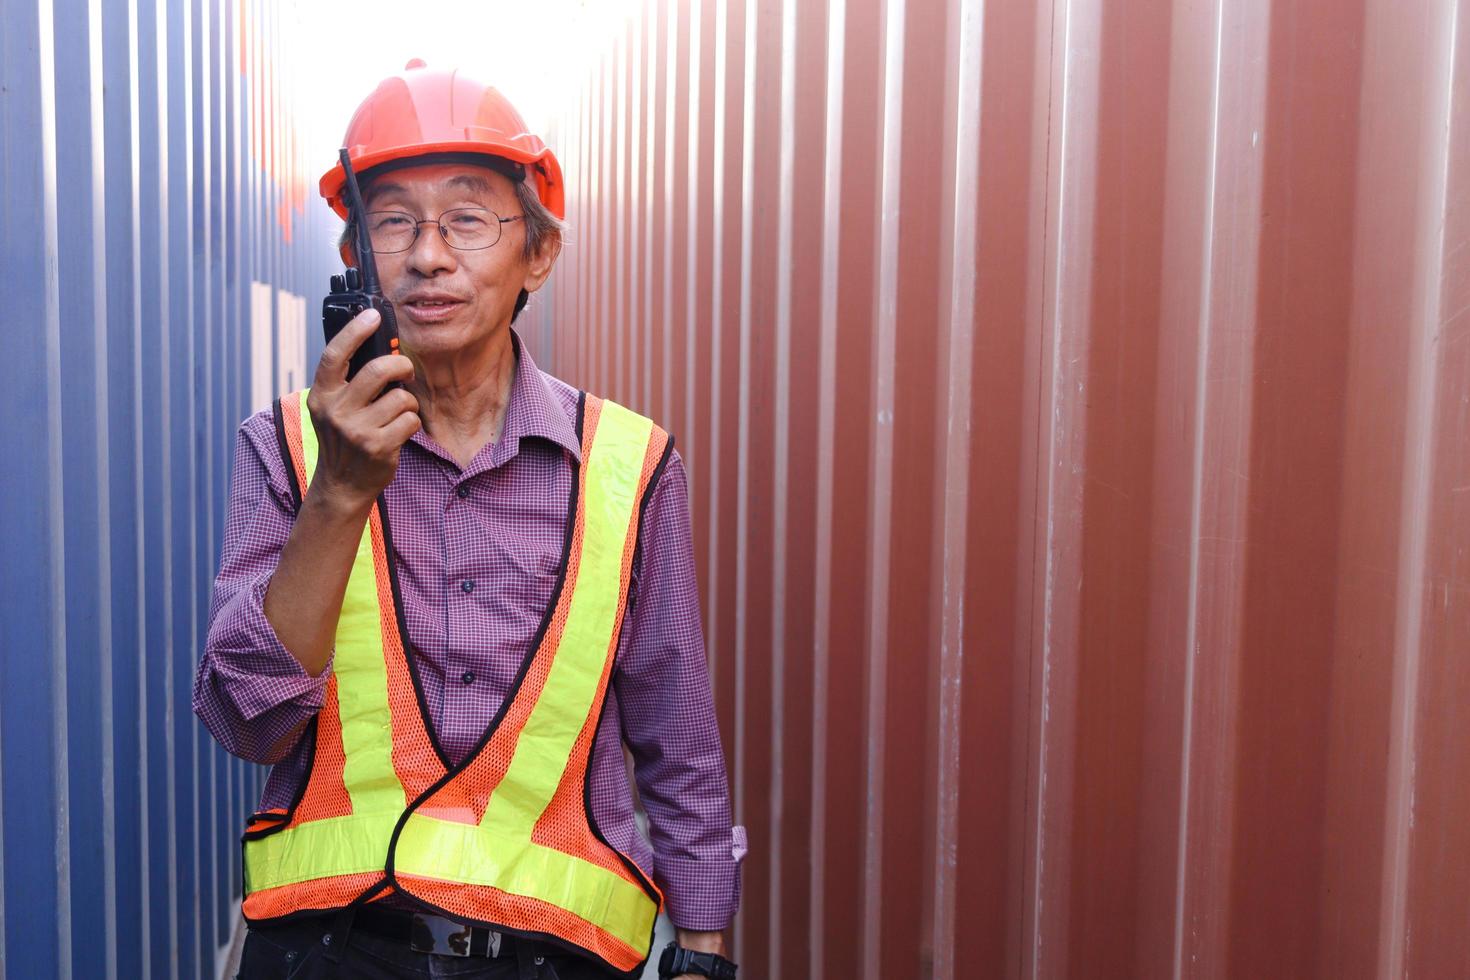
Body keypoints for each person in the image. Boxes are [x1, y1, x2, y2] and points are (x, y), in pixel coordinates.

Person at [194, 62, 743, 980]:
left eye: (468, 217)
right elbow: (246, 721)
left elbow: (675, 731)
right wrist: (340, 492)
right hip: (330, 953)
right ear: (356, 259)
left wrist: (703, 951)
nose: (428, 255)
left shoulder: (630, 466)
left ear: (538, 252)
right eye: (395, 219)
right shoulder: (286, 446)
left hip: (553, 959)